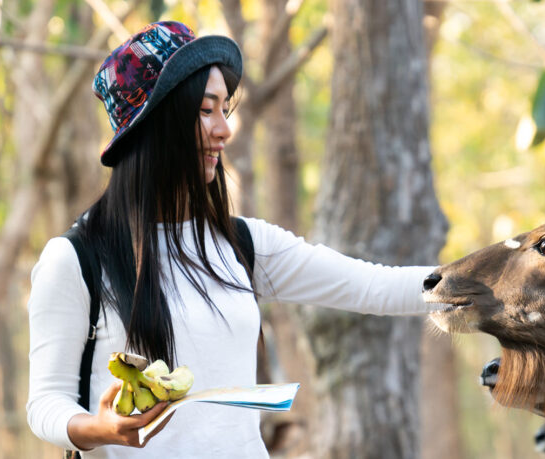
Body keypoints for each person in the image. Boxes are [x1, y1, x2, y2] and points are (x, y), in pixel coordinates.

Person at [25, 21, 442, 458]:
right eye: (206, 111)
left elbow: (373, 286)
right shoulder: (76, 259)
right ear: (157, 125)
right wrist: (99, 428)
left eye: (226, 109)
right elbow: (45, 404)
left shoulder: (243, 244)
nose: (224, 129)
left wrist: (496, 279)